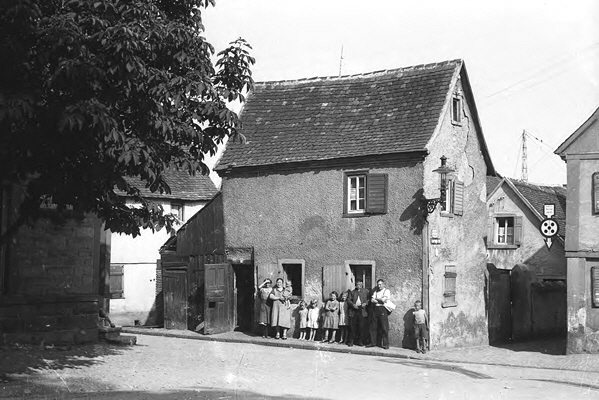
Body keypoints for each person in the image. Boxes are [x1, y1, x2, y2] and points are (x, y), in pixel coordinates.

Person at [368, 279, 391, 349]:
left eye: (380, 284)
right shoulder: (375, 291)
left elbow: (384, 300)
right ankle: (373, 343)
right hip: (375, 309)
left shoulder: (386, 291)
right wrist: (380, 299)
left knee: (384, 327)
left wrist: (377, 299)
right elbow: (372, 300)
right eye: (378, 284)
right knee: (373, 326)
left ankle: (386, 344)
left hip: (382, 309)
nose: (379, 286)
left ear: (383, 284)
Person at [347, 279, 370, 347]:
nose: (359, 286)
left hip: (362, 310)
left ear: (362, 285)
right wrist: (353, 305)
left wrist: (365, 303)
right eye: (357, 284)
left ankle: (360, 341)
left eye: (360, 284)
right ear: (355, 285)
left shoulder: (366, 291)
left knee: (361, 327)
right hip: (354, 310)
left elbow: (369, 299)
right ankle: (351, 341)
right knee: (352, 327)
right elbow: (348, 300)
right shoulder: (352, 292)